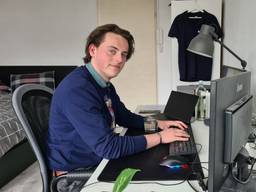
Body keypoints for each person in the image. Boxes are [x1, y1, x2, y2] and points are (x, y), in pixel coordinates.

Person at [46, 24, 189, 191]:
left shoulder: (102, 83)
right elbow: (109, 147)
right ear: (92, 50)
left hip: (96, 159)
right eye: (112, 51)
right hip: (75, 175)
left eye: (124, 54)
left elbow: (124, 117)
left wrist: (158, 124)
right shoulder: (77, 89)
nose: (120, 59)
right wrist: (160, 137)